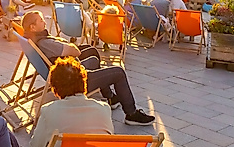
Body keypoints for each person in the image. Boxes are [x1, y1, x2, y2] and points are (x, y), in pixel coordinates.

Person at [20, 11, 155, 125]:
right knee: (118, 72)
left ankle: (110, 97)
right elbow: (74, 51)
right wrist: (67, 45)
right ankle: (131, 113)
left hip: (67, 71)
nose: (44, 22)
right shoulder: (46, 43)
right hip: (74, 81)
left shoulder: (35, 39)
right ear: (32, 27)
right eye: (41, 21)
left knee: (92, 52)